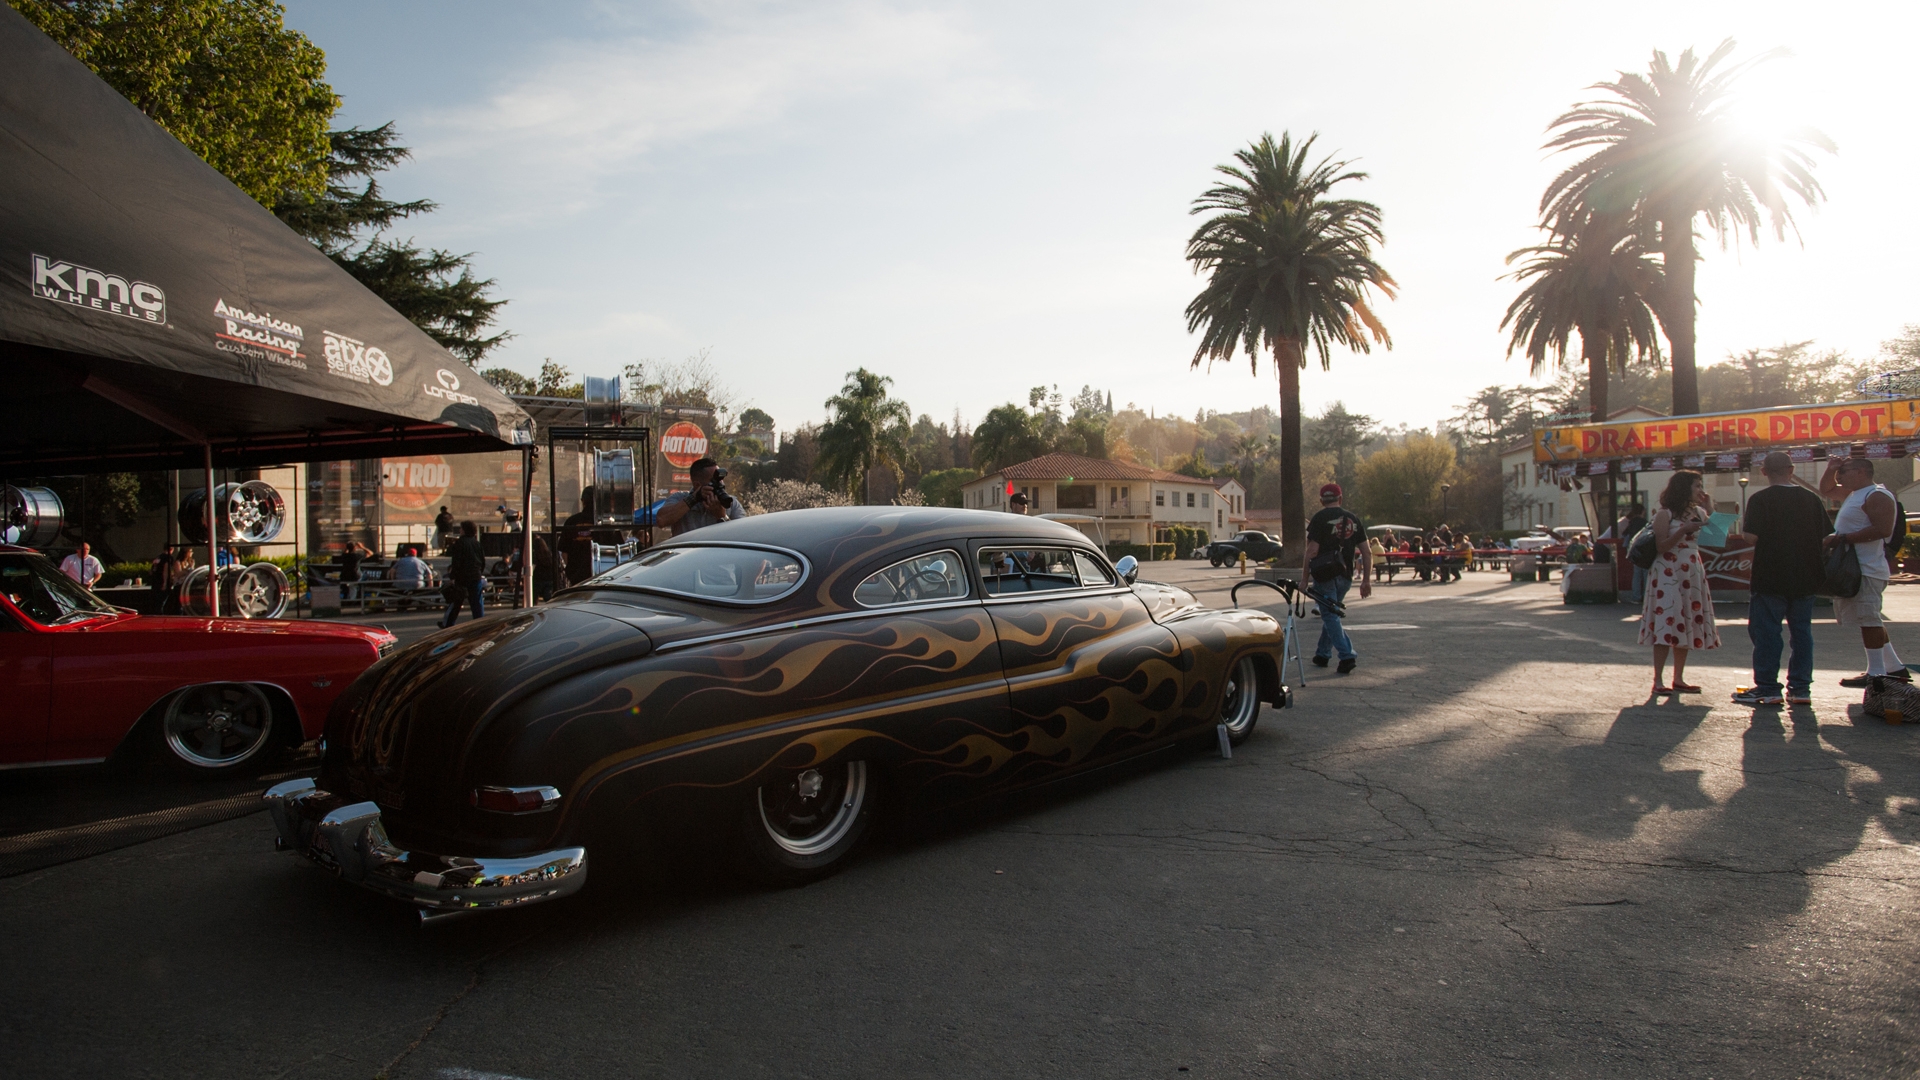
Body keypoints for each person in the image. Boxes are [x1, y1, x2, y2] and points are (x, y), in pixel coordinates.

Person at [1731, 452, 1829, 706]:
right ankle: (1800, 688)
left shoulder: (1760, 499)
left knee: (1767, 633)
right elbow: (1825, 536)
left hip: (1770, 575)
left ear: (1763, 472)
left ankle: (1767, 687)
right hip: (1805, 575)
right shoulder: (1811, 499)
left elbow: (1751, 537)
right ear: (1791, 469)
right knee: (1802, 633)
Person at [1821, 455, 1906, 687]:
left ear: (1861, 472)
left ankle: (1877, 672)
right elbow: (1826, 489)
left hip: (1866, 567)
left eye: (1844, 471)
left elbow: (1882, 529)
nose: (1840, 476)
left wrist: (1842, 538)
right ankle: (1894, 667)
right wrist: (1832, 467)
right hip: (1856, 566)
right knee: (1868, 618)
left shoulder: (1876, 494)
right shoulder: (1853, 494)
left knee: (1870, 620)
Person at [1640, 471, 1720, 694]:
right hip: (1668, 571)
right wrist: (1683, 531)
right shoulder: (1665, 514)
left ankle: (1679, 677)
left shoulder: (1698, 512)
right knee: (1667, 619)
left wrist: (1710, 508)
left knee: (1686, 620)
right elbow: (1661, 546)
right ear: (1683, 488)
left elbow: (1718, 536)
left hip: (1691, 572)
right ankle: (1658, 680)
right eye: (1696, 485)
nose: (1700, 490)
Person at [1302, 482, 1372, 674]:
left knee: (1330, 615)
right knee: (1331, 615)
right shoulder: (1353, 519)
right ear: (1340, 499)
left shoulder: (1319, 518)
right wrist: (1366, 580)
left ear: (1321, 500)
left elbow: (1311, 551)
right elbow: (1366, 553)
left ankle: (1347, 654)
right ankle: (1323, 654)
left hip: (1324, 575)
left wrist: (1304, 579)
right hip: (1345, 575)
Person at [656, 458, 745, 537]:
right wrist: (693, 499)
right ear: (697, 485)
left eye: (721, 480)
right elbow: (661, 520)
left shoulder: (732, 503)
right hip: (687, 554)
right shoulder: (679, 498)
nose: (720, 484)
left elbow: (743, 536)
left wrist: (722, 516)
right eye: (714, 481)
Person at [441, 521, 486, 628]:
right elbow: (482, 561)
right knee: (477, 602)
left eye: (461, 529)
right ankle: (480, 623)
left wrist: (453, 576)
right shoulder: (477, 543)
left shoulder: (460, 543)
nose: (460, 530)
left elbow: (456, 562)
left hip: (462, 577)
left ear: (464, 530)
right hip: (476, 576)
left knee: (456, 602)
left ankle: (448, 624)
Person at [561, 486, 598, 587]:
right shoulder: (604, 523)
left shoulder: (571, 521)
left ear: (583, 501)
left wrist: (570, 572)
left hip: (576, 576)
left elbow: (564, 552)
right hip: (601, 574)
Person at [1616, 502, 1650, 603]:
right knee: (1645, 573)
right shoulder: (1644, 522)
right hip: (1643, 549)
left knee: (1636, 574)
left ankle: (1636, 596)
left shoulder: (1631, 522)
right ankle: (1646, 596)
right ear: (1642, 511)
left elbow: (1624, 534)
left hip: (1633, 549)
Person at [391, 545, 433, 610]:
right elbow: (429, 573)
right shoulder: (420, 562)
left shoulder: (401, 560)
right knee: (420, 591)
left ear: (407, 553)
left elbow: (392, 570)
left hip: (401, 583)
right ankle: (421, 604)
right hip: (417, 584)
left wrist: (393, 580)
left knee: (399, 591)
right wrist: (430, 585)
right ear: (415, 554)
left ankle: (402, 604)